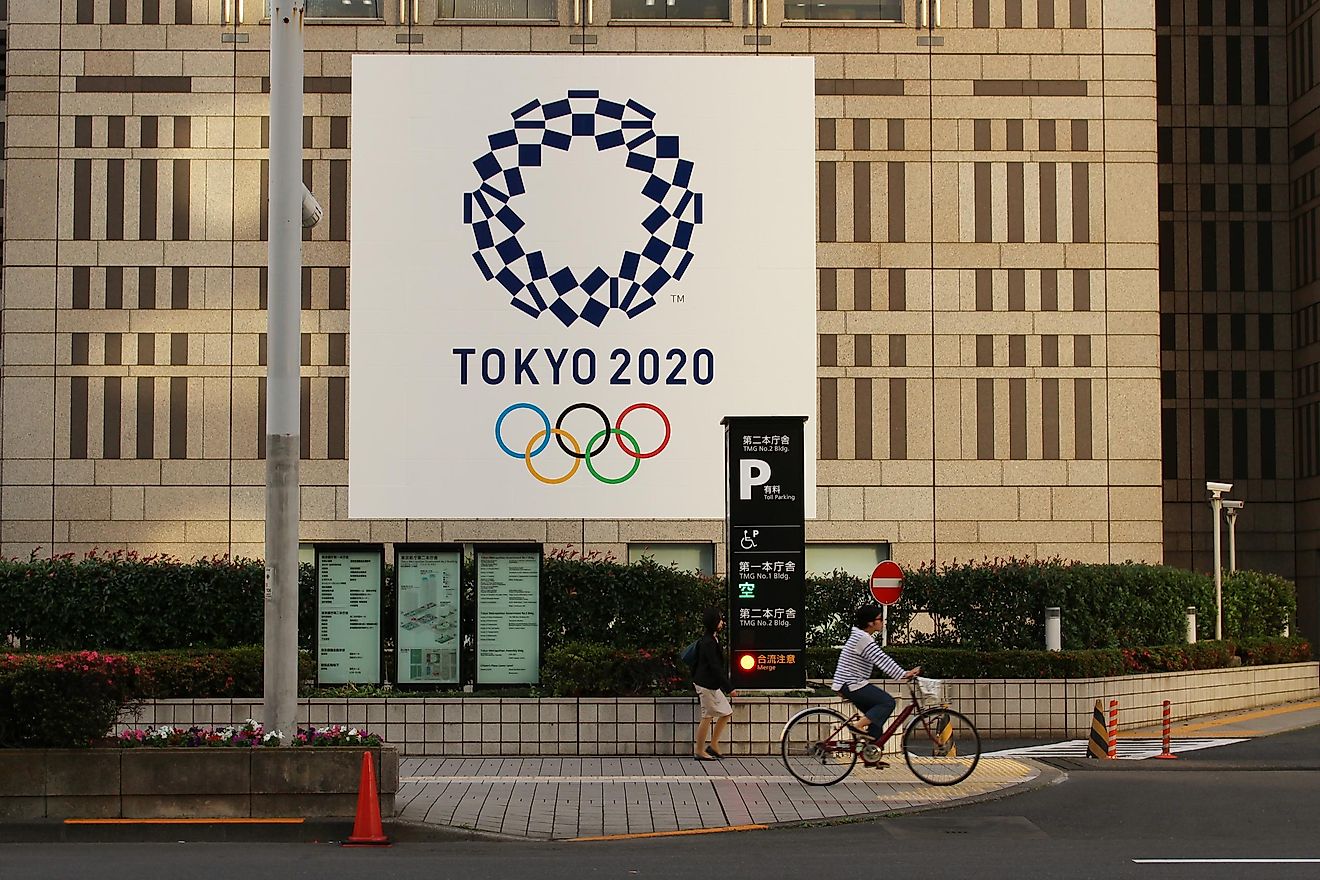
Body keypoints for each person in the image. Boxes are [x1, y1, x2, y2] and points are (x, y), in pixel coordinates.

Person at [831, 604, 921, 741]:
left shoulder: (859, 636)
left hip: (847, 683)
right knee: (887, 703)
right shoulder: (863, 638)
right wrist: (903, 674)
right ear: (870, 622)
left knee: (875, 719)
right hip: (851, 684)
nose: (882, 622)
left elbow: (880, 659)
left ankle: (872, 756)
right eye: (880, 619)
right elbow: (881, 659)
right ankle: (858, 726)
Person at [692, 607, 734, 761]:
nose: (722, 623)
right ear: (713, 623)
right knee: (707, 716)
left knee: (726, 712)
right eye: (720, 620)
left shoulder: (712, 639)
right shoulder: (708, 642)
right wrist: (729, 688)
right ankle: (699, 750)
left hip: (711, 685)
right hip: (705, 684)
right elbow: (715, 667)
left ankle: (714, 745)